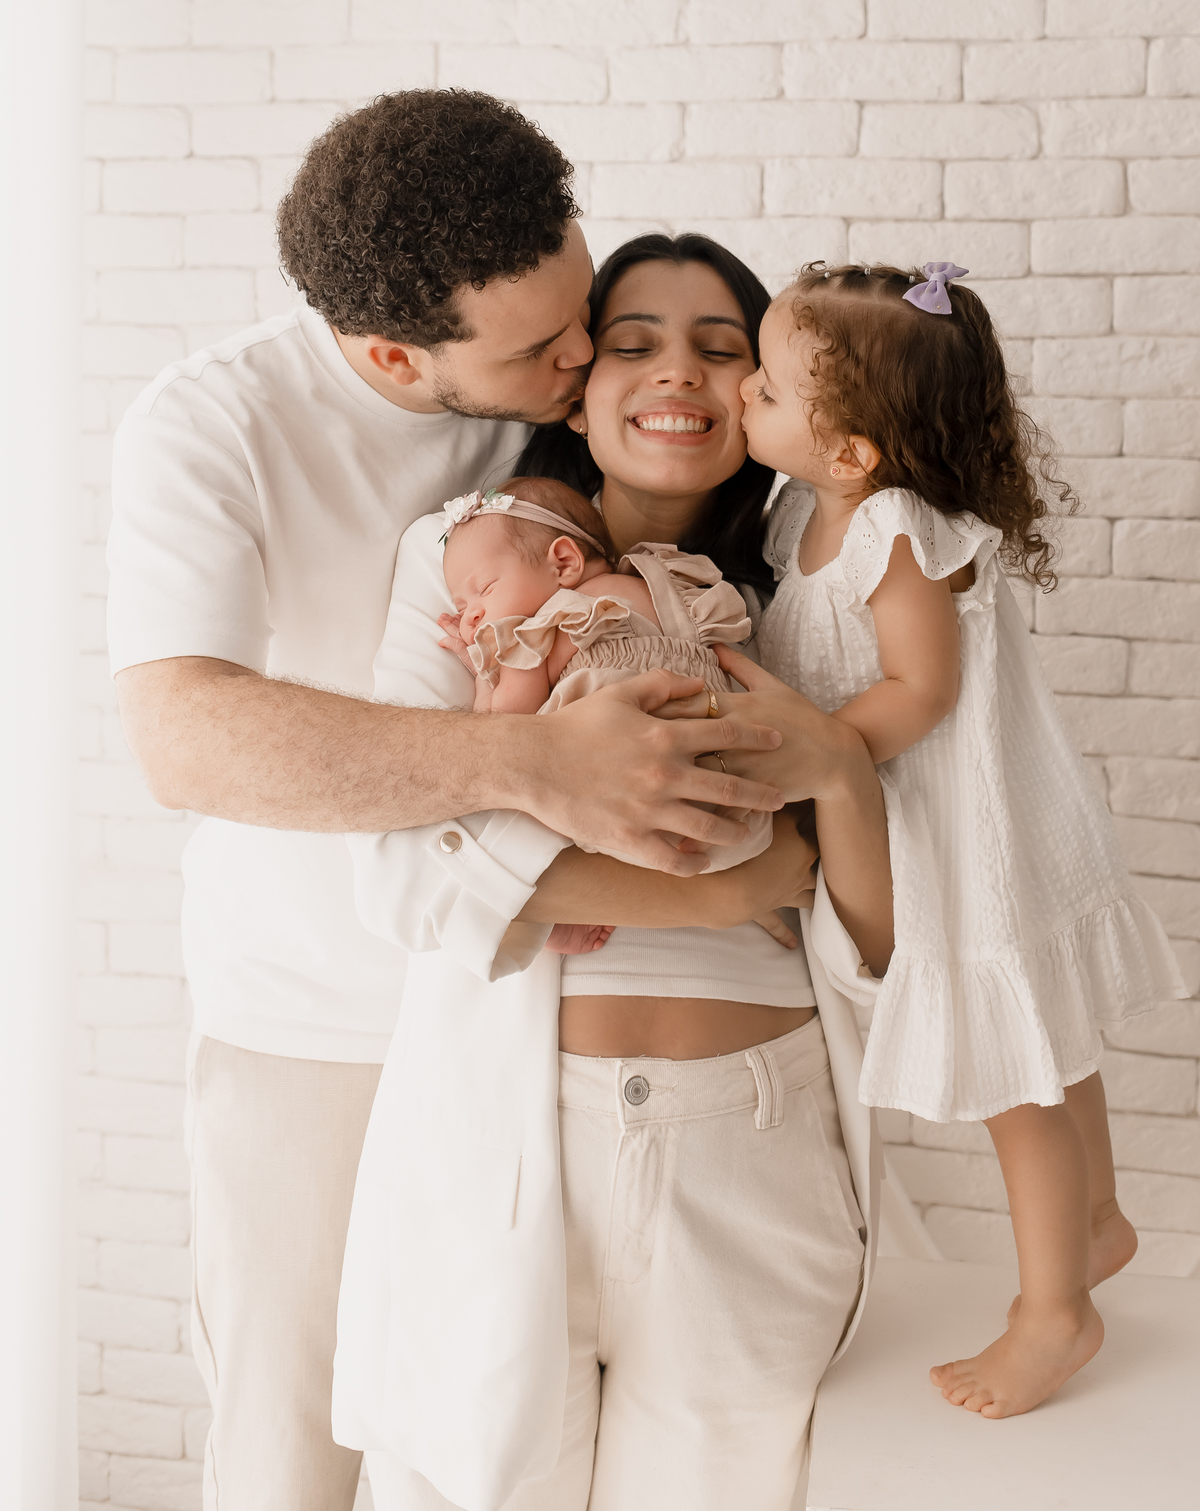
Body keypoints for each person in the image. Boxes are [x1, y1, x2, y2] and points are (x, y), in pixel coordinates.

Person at [106, 96, 788, 1511]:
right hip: (312, 1025)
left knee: (490, 1457)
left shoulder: (559, 397)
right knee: (294, 1452)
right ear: (391, 356)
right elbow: (185, 741)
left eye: (581, 310)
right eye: (542, 350)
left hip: (525, 1026)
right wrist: (538, 764)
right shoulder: (217, 424)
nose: (581, 359)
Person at [334, 233, 896, 1511]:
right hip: (505, 1135)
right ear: (577, 389)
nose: (676, 374)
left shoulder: (814, 588)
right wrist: (725, 890)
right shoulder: (471, 555)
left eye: (721, 348)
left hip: (752, 1145)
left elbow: (880, 945)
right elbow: (404, 873)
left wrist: (847, 785)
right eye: (632, 343)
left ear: (769, 394)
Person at [739, 258, 1186, 1421]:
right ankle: (1096, 1222)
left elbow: (922, 689)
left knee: (1013, 1075)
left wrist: (819, 753)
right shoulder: (805, 510)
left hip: (958, 831)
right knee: (1048, 1034)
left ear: (851, 452)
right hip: (951, 816)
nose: (741, 390)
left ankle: (1056, 1313)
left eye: (768, 388)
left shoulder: (890, 527)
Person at [439, 473, 774, 884]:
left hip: (635, 806)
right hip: (742, 799)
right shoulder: (660, 584)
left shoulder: (532, 634)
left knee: (522, 803)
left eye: (485, 589)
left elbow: (503, 729)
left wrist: (484, 674)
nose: (471, 616)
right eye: (462, 607)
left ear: (564, 563)